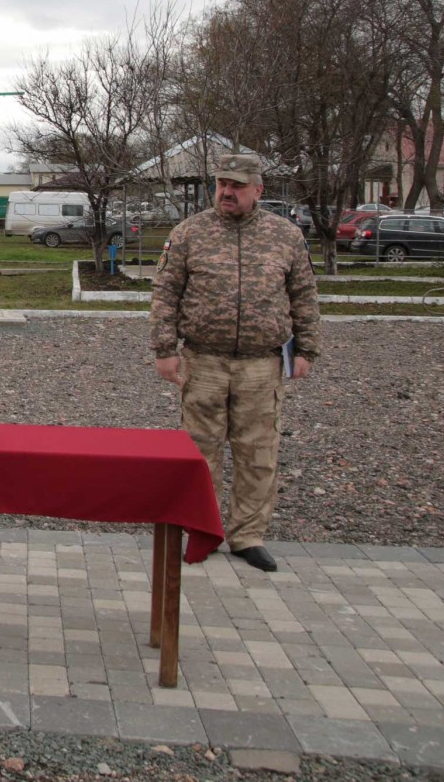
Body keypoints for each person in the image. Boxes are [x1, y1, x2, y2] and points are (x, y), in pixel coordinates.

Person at [150, 153, 321, 572]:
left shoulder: (285, 236)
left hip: (261, 365)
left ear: (258, 190)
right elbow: (165, 294)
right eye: (222, 183)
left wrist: (307, 349)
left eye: (237, 185)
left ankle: (248, 535)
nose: (227, 191)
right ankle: (204, 531)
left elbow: (304, 294)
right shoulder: (190, 233)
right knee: (200, 453)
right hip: (204, 360)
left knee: (258, 453)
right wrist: (164, 350)